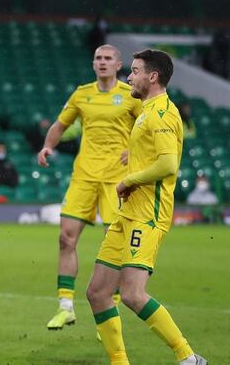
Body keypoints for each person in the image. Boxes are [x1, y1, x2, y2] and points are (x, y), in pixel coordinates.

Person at [85, 49, 206, 365]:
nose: (129, 76)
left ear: (153, 77)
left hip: (148, 215)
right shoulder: (146, 110)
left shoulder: (162, 113)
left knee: (133, 295)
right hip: (128, 214)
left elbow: (168, 164)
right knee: (98, 292)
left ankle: (188, 357)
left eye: (135, 70)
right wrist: (133, 155)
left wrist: (130, 179)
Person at [38, 44, 142, 330]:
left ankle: (111, 314)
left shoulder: (131, 96)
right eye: (98, 58)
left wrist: (136, 151)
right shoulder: (82, 93)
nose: (103, 62)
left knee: (113, 244)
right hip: (84, 175)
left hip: (117, 180)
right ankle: (65, 306)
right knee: (65, 239)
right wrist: (47, 146)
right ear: (93, 64)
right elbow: (60, 124)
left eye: (108, 58)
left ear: (118, 64)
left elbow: (150, 129)